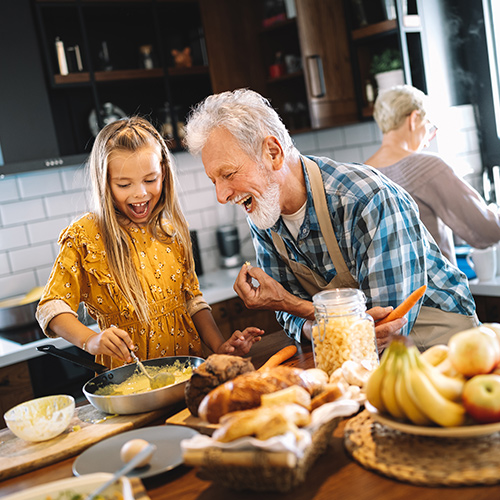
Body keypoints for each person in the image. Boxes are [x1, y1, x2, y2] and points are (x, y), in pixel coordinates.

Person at [184, 88, 479, 352]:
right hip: (367, 361)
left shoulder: (365, 199)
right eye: (213, 181)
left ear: (273, 153)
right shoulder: (264, 211)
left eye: (228, 174)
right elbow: (295, 320)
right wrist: (316, 325)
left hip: (441, 349)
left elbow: (385, 325)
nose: (221, 195)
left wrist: (291, 304)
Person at [36, 116, 263, 369]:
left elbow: (193, 301)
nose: (140, 193)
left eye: (150, 179)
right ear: (104, 184)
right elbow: (50, 307)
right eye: (124, 184)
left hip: (188, 372)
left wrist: (219, 347)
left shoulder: (172, 230)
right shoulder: (85, 236)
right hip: (130, 383)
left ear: (163, 173)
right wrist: (91, 340)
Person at [366, 84, 500, 265]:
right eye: (428, 126)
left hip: (385, 292)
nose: (428, 142)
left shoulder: (360, 174)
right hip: (434, 290)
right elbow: (487, 231)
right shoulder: (427, 166)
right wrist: (493, 211)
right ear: (413, 119)